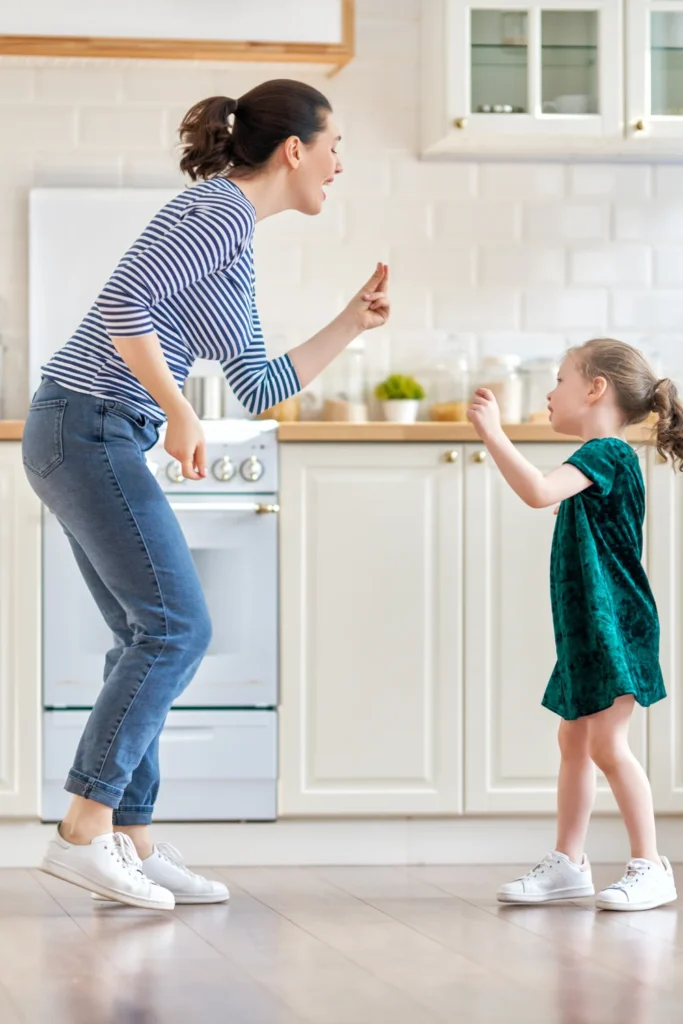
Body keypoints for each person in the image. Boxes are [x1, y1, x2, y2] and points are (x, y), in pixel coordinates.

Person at [22, 80, 390, 910]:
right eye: (334, 147)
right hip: (88, 425)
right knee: (177, 627)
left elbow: (258, 385)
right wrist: (181, 408)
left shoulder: (235, 237)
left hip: (90, 430)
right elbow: (123, 303)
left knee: (142, 634)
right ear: (294, 149)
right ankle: (83, 831)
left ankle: (132, 840)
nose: (339, 166)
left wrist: (347, 322)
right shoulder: (219, 211)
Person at [468, 338, 683, 912]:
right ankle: (568, 862)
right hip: (588, 629)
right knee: (574, 740)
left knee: (608, 744)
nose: (548, 391)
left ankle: (651, 864)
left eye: (560, 379)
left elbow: (539, 492)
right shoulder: (602, 458)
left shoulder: (607, 453)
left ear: (596, 389)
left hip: (614, 627)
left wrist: (493, 434)